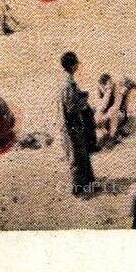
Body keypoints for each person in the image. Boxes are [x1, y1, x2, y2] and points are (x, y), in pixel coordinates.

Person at [56, 51, 97, 197]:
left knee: (82, 154)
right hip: (71, 126)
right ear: (73, 66)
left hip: (73, 125)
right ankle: (78, 189)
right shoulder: (67, 84)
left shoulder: (68, 81)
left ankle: (88, 183)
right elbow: (71, 107)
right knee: (76, 157)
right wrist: (84, 100)